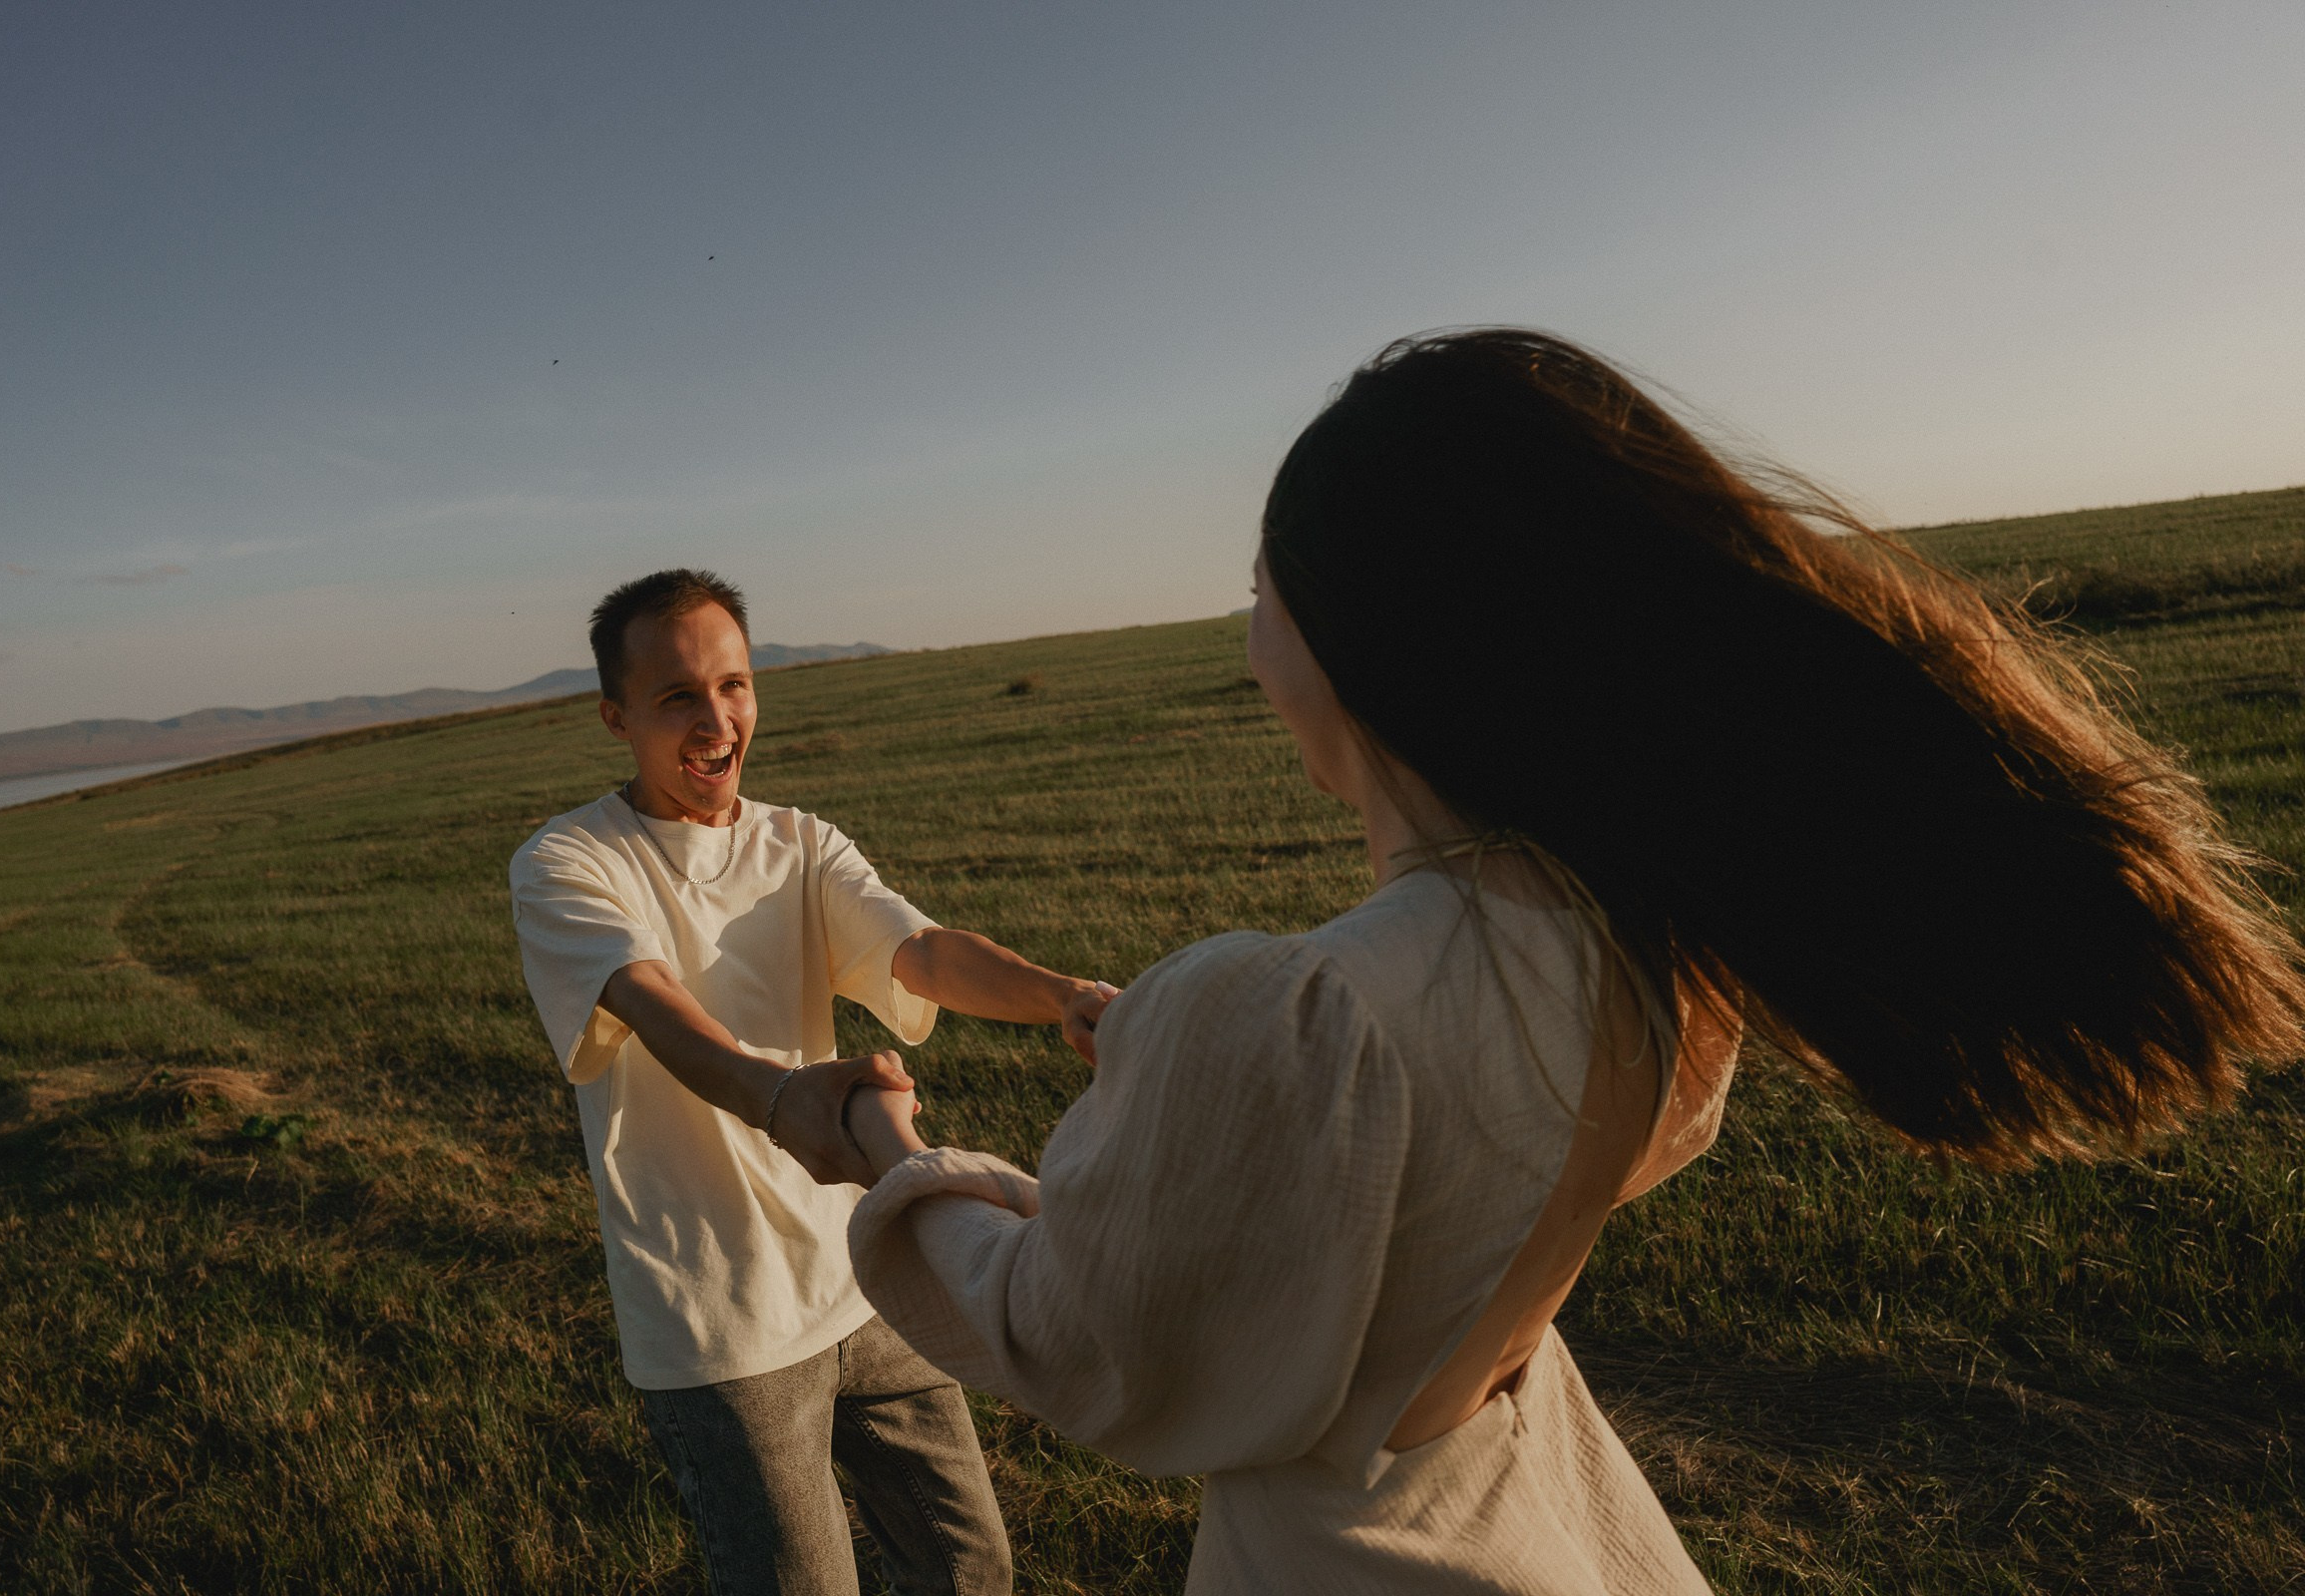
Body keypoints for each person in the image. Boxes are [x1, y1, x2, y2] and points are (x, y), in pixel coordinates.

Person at [831, 330, 2305, 1592]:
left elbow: (1075, 1339)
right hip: (1550, 1529)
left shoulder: (1290, 1016)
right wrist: (1198, 1109)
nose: (1251, 625)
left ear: (1364, 633)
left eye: (1263, 586)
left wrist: (884, 1145)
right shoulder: (1647, 944)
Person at [509, 568, 1110, 1595]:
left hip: (868, 1275)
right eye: (679, 697)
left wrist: (1066, 997)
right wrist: (782, 1097)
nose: (717, 718)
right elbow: (656, 1007)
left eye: (735, 685)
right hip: (721, 1322)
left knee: (970, 1566)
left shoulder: (798, 841)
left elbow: (921, 951)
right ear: (615, 716)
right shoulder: (570, 860)